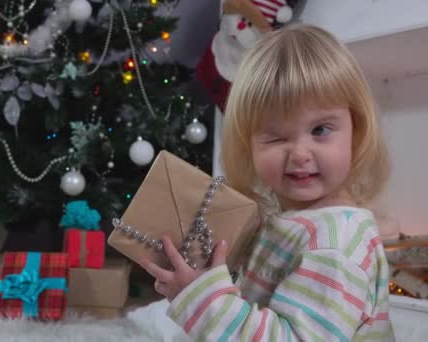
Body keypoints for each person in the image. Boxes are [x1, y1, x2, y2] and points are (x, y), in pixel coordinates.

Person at [142, 24, 395, 341]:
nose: (300, 154)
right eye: (275, 137)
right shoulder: (294, 220)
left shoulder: (334, 245)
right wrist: (204, 287)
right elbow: (262, 306)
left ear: (356, 130)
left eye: (320, 130)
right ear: (249, 145)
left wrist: (204, 303)